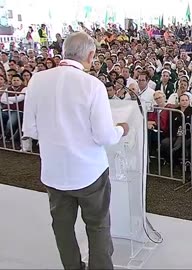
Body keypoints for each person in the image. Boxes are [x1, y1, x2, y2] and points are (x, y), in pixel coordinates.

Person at [22, 32, 129, 270]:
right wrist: (121, 129)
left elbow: (31, 129)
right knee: (98, 225)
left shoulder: (37, 80)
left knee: (61, 226)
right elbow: (104, 136)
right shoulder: (92, 85)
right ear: (90, 55)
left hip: (54, 172)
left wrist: (58, 135)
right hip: (89, 172)